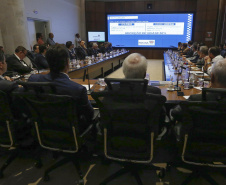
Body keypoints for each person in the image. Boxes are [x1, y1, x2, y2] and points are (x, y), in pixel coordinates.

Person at [28, 45, 94, 132]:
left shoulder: (33, 80)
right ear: (67, 62)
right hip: (71, 133)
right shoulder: (77, 89)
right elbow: (90, 114)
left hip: (44, 131)